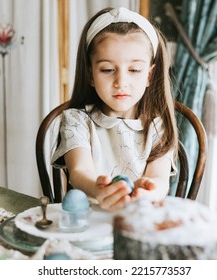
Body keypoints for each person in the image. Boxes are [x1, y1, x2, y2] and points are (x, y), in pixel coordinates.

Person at [51, 7, 178, 211]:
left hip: (137, 221)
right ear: (90, 74)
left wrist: (148, 191)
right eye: (108, 70)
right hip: (88, 223)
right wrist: (98, 188)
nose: (121, 82)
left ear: (149, 76)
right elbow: (80, 171)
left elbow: (159, 179)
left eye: (134, 70)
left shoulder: (157, 127)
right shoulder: (77, 120)